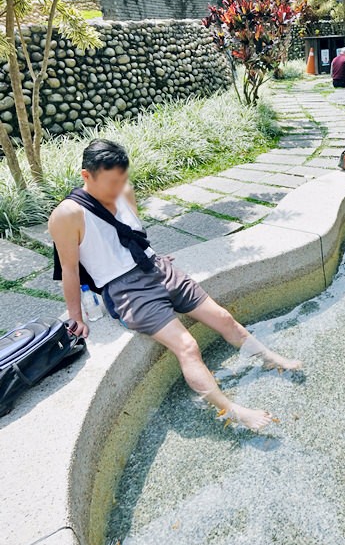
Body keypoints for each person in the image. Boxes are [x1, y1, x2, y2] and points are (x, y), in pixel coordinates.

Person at [49, 140, 301, 432]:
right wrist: (76, 317)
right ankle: (231, 409)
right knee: (188, 347)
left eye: (122, 179)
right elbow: (69, 269)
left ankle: (268, 358)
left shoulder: (123, 189)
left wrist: (149, 256)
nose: (117, 188)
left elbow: (132, 233)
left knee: (223, 317)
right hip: (126, 290)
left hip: (157, 268)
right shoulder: (67, 215)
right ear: (86, 176)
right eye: (110, 182)